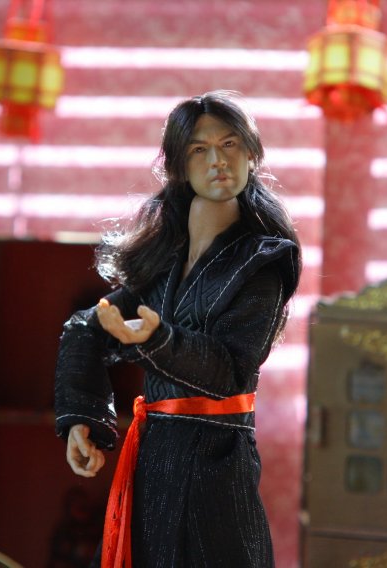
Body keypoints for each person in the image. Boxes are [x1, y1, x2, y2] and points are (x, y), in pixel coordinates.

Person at [54, 90, 301, 568]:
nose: (217, 161)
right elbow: (87, 326)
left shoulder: (264, 261)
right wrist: (83, 420)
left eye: (229, 145)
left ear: (251, 154)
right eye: (199, 149)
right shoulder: (164, 257)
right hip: (154, 458)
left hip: (217, 461)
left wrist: (156, 339)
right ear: (178, 165)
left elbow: (230, 371)